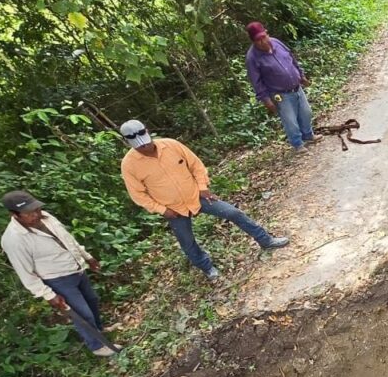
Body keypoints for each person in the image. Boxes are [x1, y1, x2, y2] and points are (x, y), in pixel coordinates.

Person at [119, 120, 289, 280]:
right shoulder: (129, 164)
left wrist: (202, 187)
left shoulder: (171, 145)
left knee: (233, 212)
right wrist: (162, 210)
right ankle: (207, 268)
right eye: (140, 146)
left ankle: (266, 240)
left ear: (147, 132)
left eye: (146, 142)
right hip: (174, 209)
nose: (145, 146)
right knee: (187, 242)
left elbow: (196, 165)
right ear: (128, 143)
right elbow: (138, 195)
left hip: (196, 196)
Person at [0, 190, 120, 357]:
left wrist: (87, 257)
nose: (36, 214)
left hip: (77, 269)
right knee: (81, 314)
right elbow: (26, 274)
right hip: (57, 280)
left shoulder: (47, 218)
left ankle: (99, 330)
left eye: (37, 209)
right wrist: (48, 295)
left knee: (92, 301)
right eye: (29, 213)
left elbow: (68, 240)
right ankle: (97, 346)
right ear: (15, 214)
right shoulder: (14, 239)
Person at [244, 21, 316, 153]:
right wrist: (266, 100)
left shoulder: (276, 42)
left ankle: (308, 135)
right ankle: (297, 144)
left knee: (306, 112)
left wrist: (301, 75)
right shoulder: (252, 58)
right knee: (290, 121)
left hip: (296, 86)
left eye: (263, 37)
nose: (262, 41)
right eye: (258, 40)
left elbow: (291, 58)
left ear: (267, 33)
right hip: (279, 94)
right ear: (253, 41)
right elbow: (256, 81)